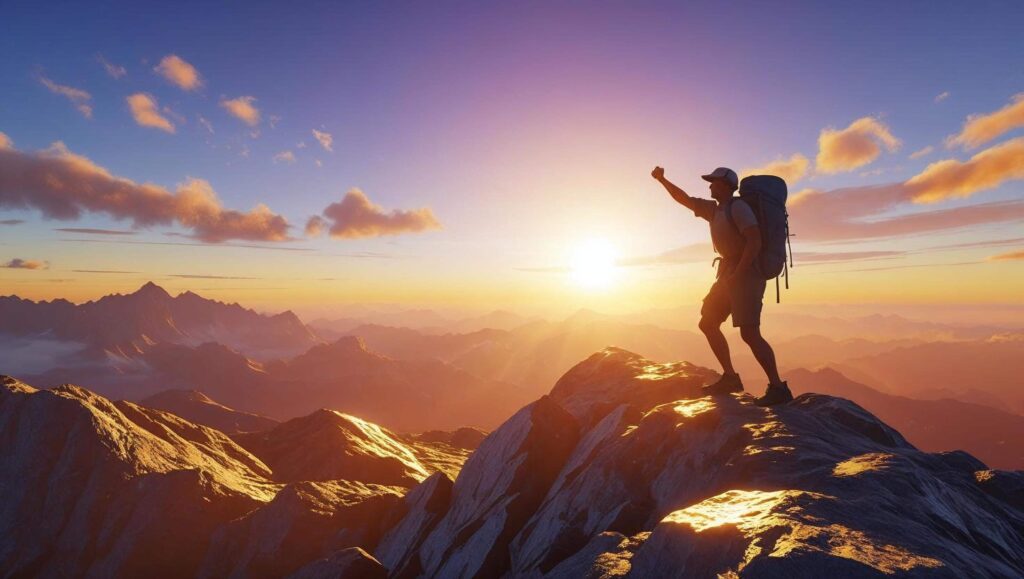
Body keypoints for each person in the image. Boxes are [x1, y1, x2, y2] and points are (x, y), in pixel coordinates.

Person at [652, 166, 793, 406]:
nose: (709, 186)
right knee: (707, 322)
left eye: (713, 182)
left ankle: (778, 388)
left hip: (747, 275)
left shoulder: (738, 208)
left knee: (749, 333)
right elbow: (683, 199)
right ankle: (730, 377)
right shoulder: (714, 210)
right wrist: (662, 180)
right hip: (729, 274)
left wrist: (738, 274)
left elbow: (754, 241)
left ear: (726, 185)